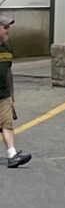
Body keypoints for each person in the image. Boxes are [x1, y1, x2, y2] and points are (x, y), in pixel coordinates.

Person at [0, 15, 31, 169]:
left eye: (8, 27)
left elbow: (8, 71)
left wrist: (11, 95)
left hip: (3, 94)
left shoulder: (7, 47)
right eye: (5, 27)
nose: (8, 31)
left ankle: (12, 155)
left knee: (7, 123)